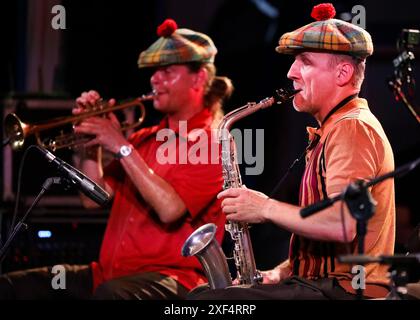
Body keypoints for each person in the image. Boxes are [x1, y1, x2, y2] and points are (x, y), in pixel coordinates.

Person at [0, 19, 233, 299]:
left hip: (173, 280)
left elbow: (170, 209)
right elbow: (93, 198)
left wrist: (120, 145)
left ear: (199, 78)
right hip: (108, 273)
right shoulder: (145, 137)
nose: (154, 79)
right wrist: (91, 144)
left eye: (167, 71)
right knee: (11, 287)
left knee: (111, 295)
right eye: (153, 72)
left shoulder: (212, 142)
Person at [191, 3, 395, 300]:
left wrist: (264, 208)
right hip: (322, 285)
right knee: (203, 294)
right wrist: (278, 273)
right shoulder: (332, 128)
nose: (291, 72)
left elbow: (343, 224)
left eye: (305, 62)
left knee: (209, 301)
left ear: (343, 73)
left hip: (347, 290)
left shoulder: (352, 128)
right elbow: (324, 241)